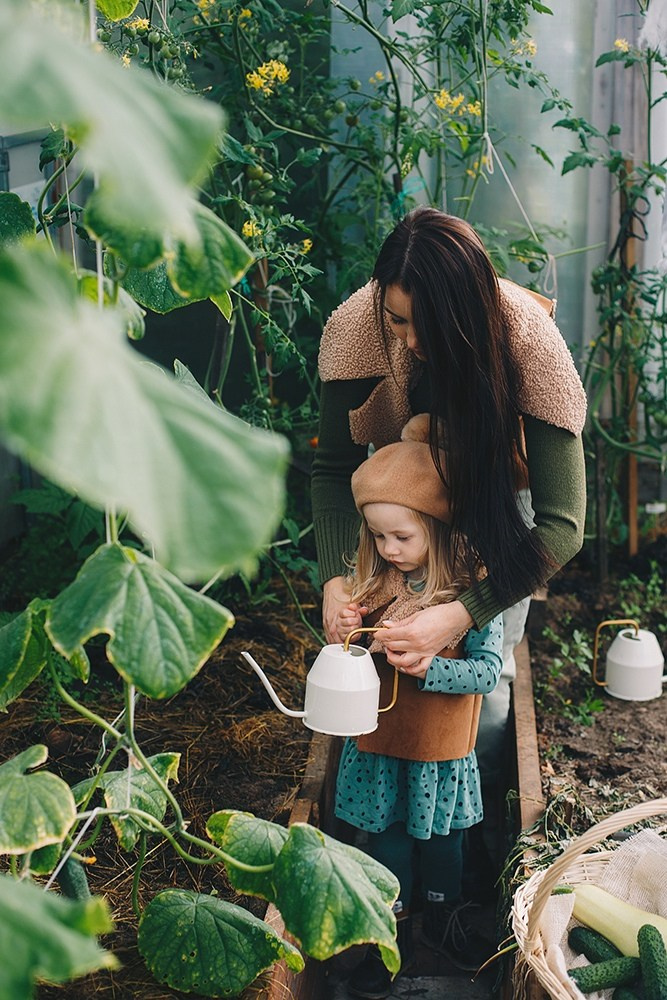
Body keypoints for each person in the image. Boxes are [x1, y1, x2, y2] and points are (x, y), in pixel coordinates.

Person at [312, 207, 587, 881]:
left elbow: (561, 525)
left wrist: (463, 610)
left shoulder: (528, 342)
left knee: (485, 682)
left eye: (423, 325)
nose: (407, 340)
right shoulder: (356, 328)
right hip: (407, 491)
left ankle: (473, 853)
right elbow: (327, 468)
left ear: (467, 313)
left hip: (498, 502)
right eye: (396, 319)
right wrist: (334, 581)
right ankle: (387, 841)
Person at [334, 417, 503, 999]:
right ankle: (390, 935)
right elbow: (345, 653)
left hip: (439, 754)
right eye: (378, 537)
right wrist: (348, 630)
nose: (388, 549)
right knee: (388, 841)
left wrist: (433, 667)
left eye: (401, 537)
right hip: (380, 747)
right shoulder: (375, 583)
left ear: (439, 524)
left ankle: (444, 920)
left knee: (443, 844)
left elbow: (485, 672)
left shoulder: (473, 591)